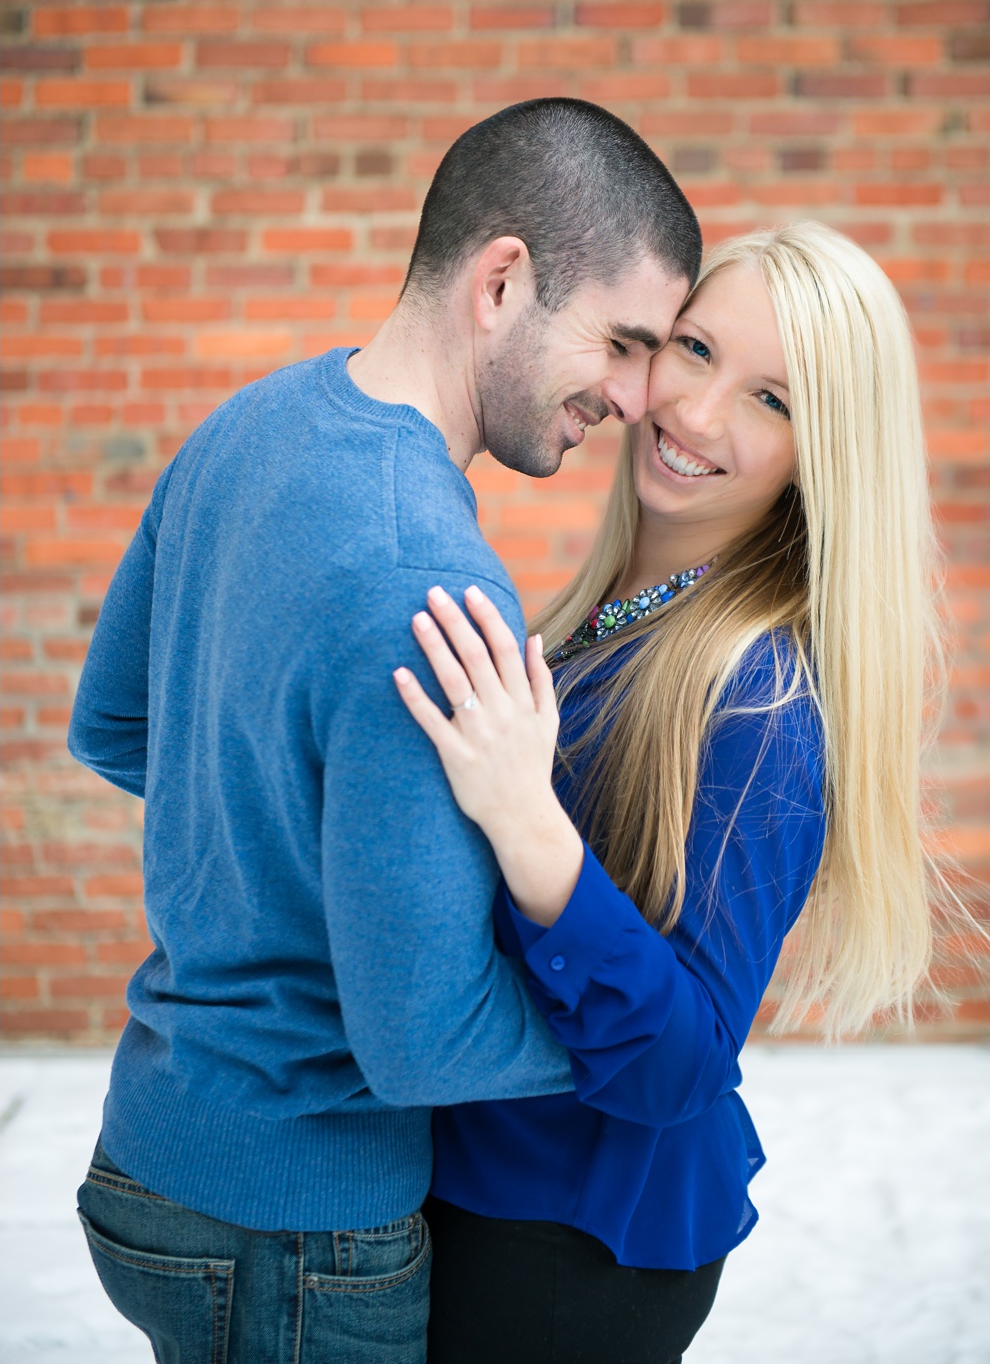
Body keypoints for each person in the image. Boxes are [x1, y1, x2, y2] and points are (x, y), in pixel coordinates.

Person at [66, 97, 699, 1362]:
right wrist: (643, 1047)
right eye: (623, 343)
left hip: (149, 1153)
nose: (634, 400)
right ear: (502, 280)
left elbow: (117, 726)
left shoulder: (242, 426)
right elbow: (420, 1043)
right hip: (299, 1229)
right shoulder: (427, 581)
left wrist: (286, 879)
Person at [390, 221, 943, 1364]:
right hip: (484, 1189)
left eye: (772, 402)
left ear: (821, 454)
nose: (693, 414)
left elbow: (682, 1060)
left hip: (556, 1248)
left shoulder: (758, 701)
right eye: (692, 351)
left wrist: (524, 820)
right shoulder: (618, 618)